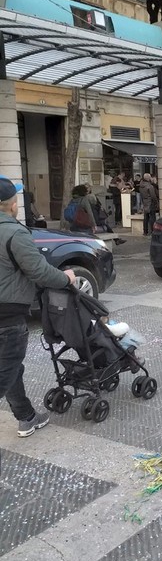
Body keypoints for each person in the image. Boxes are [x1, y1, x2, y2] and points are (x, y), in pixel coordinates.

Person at [0, 177, 76, 437]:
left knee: (11, 369)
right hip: (7, 316)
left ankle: (26, 417)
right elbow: (39, 272)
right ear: (13, 205)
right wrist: (66, 278)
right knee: (6, 372)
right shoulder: (14, 233)